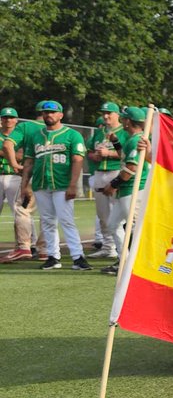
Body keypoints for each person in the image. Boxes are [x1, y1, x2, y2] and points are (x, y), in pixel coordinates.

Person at [20, 100, 89, 270]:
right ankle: (53, 256)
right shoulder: (36, 136)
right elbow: (28, 162)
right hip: (41, 184)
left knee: (66, 220)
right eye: (45, 112)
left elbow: (77, 160)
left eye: (52, 112)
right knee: (47, 221)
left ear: (60, 115)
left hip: (62, 184)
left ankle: (78, 257)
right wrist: (24, 185)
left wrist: (73, 185)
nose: (48, 115)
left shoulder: (72, 135)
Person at [97, 107, 150, 277]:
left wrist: (113, 184)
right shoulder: (131, 139)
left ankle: (141, 264)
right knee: (114, 225)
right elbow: (123, 156)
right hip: (126, 190)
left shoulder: (137, 140)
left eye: (124, 119)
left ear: (128, 121)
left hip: (134, 189)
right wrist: (115, 142)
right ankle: (125, 261)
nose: (122, 121)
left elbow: (131, 168)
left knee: (135, 228)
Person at [87, 102, 124, 259]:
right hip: (99, 172)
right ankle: (108, 247)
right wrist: (93, 155)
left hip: (117, 172)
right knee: (102, 214)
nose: (106, 116)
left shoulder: (124, 131)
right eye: (104, 113)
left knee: (119, 214)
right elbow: (89, 150)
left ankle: (122, 249)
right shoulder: (99, 132)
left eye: (109, 113)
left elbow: (128, 154)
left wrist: (109, 153)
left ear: (117, 115)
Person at [0, 107, 36, 262]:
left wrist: (5, 151)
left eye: (11, 117)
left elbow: (21, 155)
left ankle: (30, 245)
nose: (8, 120)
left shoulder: (21, 135)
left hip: (16, 176)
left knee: (21, 212)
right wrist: (7, 151)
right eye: (5, 117)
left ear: (16, 120)